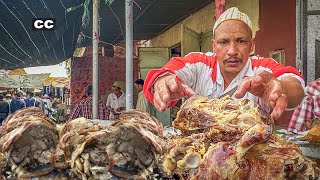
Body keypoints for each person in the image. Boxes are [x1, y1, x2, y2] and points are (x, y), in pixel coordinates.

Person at [143, 7, 305, 121]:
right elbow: (171, 70)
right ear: (214, 45)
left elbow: (294, 84)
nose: (232, 51)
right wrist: (162, 81)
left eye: (241, 41)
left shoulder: (262, 69)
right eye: (224, 42)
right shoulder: (200, 64)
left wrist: (281, 89)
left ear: (252, 45)